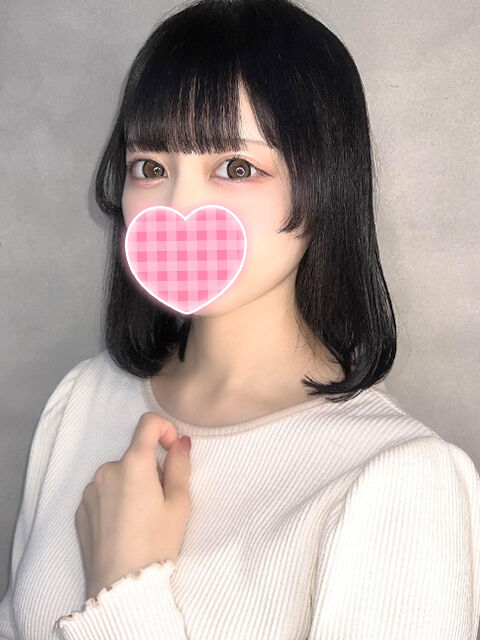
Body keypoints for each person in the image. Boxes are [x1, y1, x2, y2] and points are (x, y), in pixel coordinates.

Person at [1, 0, 479, 638]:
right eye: (151, 168)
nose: (177, 208)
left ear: (325, 184)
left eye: (236, 168)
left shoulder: (399, 480)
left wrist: (123, 588)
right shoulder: (82, 400)